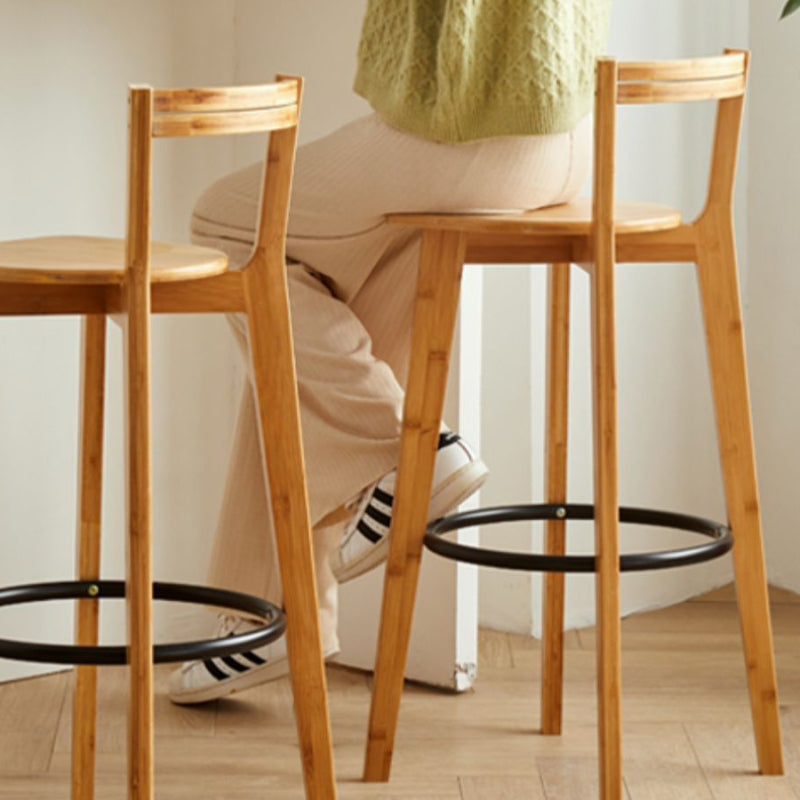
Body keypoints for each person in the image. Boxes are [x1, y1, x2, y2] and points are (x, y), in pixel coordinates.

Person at [169, 0, 610, 704]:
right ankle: (273, 609)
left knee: (228, 220)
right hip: (568, 137)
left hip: (472, 135)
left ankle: (408, 448)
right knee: (292, 326)